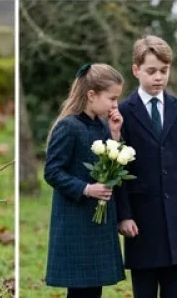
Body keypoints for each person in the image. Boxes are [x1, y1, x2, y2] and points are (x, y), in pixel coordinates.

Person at [113, 36, 177, 298]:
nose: (158, 77)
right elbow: (117, 169)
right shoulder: (122, 112)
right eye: (151, 71)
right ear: (136, 70)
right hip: (141, 219)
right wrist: (123, 215)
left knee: (175, 289)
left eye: (164, 71)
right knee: (144, 290)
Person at [43, 63, 128, 298]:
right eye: (112, 98)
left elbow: (109, 165)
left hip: (97, 223)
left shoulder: (102, 125)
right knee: (80, 291)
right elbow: (52, 171)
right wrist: (86, 189)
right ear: (91, 95)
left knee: (93, 290)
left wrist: (115, 135)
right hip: (75, 222)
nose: (115, 105)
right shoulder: (68, 126)